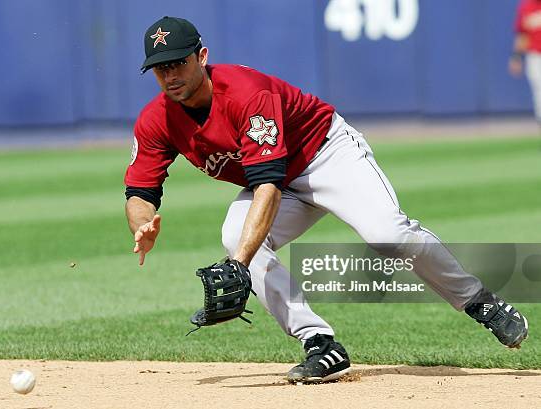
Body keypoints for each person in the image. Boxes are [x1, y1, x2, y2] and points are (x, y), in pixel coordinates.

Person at [125, 16, 529, 383]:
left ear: (202, 56)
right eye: (161, 68)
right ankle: (320, 343)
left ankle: (480, 302)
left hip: (327, 155)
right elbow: (140, 191)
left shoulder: (246, 92)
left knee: (386, 233)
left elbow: (266, 184)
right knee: (236, 237)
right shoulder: (156, 119)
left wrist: (239, 265)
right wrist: (141, 223)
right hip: (279, 180)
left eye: (178, 62)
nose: (170, 75)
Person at [510, 0, 541, 124]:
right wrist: (516, 57)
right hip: (534, 55)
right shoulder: (527, 6)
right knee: (539, 89)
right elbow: (522, 35)